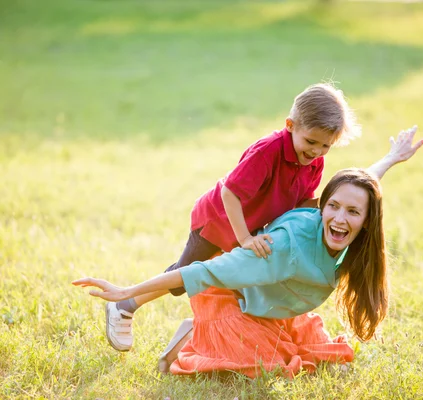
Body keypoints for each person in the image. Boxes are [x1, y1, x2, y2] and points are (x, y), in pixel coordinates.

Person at [73, 130, 423, 377]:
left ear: (368, 219)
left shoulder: (347, 222)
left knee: (301, 350)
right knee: (269, 364)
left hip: (272, 300)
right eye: (332, 206)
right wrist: (127, 293)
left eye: (352, 212)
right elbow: (201, 272)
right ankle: (197, 330)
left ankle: (202, 327)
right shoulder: (282, 247)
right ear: (322, 208)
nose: (339, 216)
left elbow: (361, 185)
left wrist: (392, 158)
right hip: (239, 287)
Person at [103, 83, 363, 352]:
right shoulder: (267, 151)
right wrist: (245, 238)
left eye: (326, 146)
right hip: (218, 221)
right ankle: (124, 304)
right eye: (311, 142)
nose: (317, 151)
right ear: (290, 125)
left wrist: (333, 209)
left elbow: (300, 202)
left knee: (238, 284)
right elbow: (230, 193)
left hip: (251, 226)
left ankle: (195, 331)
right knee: (186, 275)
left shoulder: (313, 161)